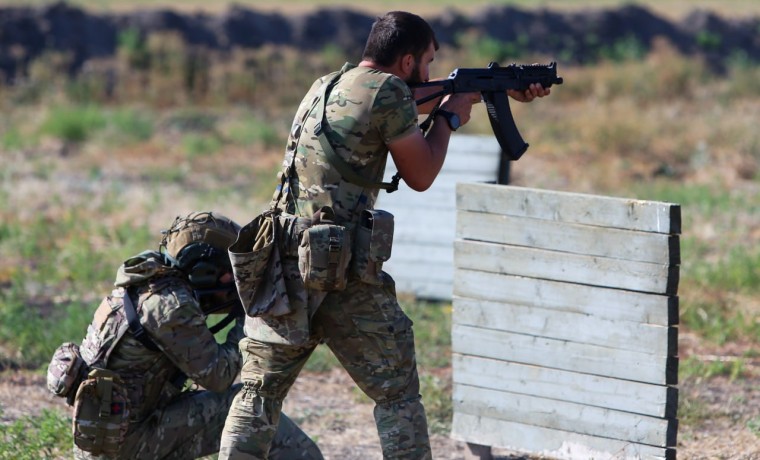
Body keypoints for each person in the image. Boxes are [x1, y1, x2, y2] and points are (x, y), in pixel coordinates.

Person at [219, 11, 550, 460]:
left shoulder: (327, 85)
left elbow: (393, 108)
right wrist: (450, 118)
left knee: (258, 392)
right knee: (397, 394)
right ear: (408, 60)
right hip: (340, 266)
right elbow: (421, 174)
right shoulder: (392, 92)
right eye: (429, 63)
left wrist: (487, 91)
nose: (432, 74)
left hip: (284, 260)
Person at [47, 211, 323, 460]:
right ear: (204, 269)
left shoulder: (147, 285)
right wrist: (251, 317)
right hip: (128, 446)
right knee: (243, 405)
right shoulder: (171, 306)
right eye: (231, 272)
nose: (235, 281)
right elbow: (220, 375)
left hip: (113, 440)